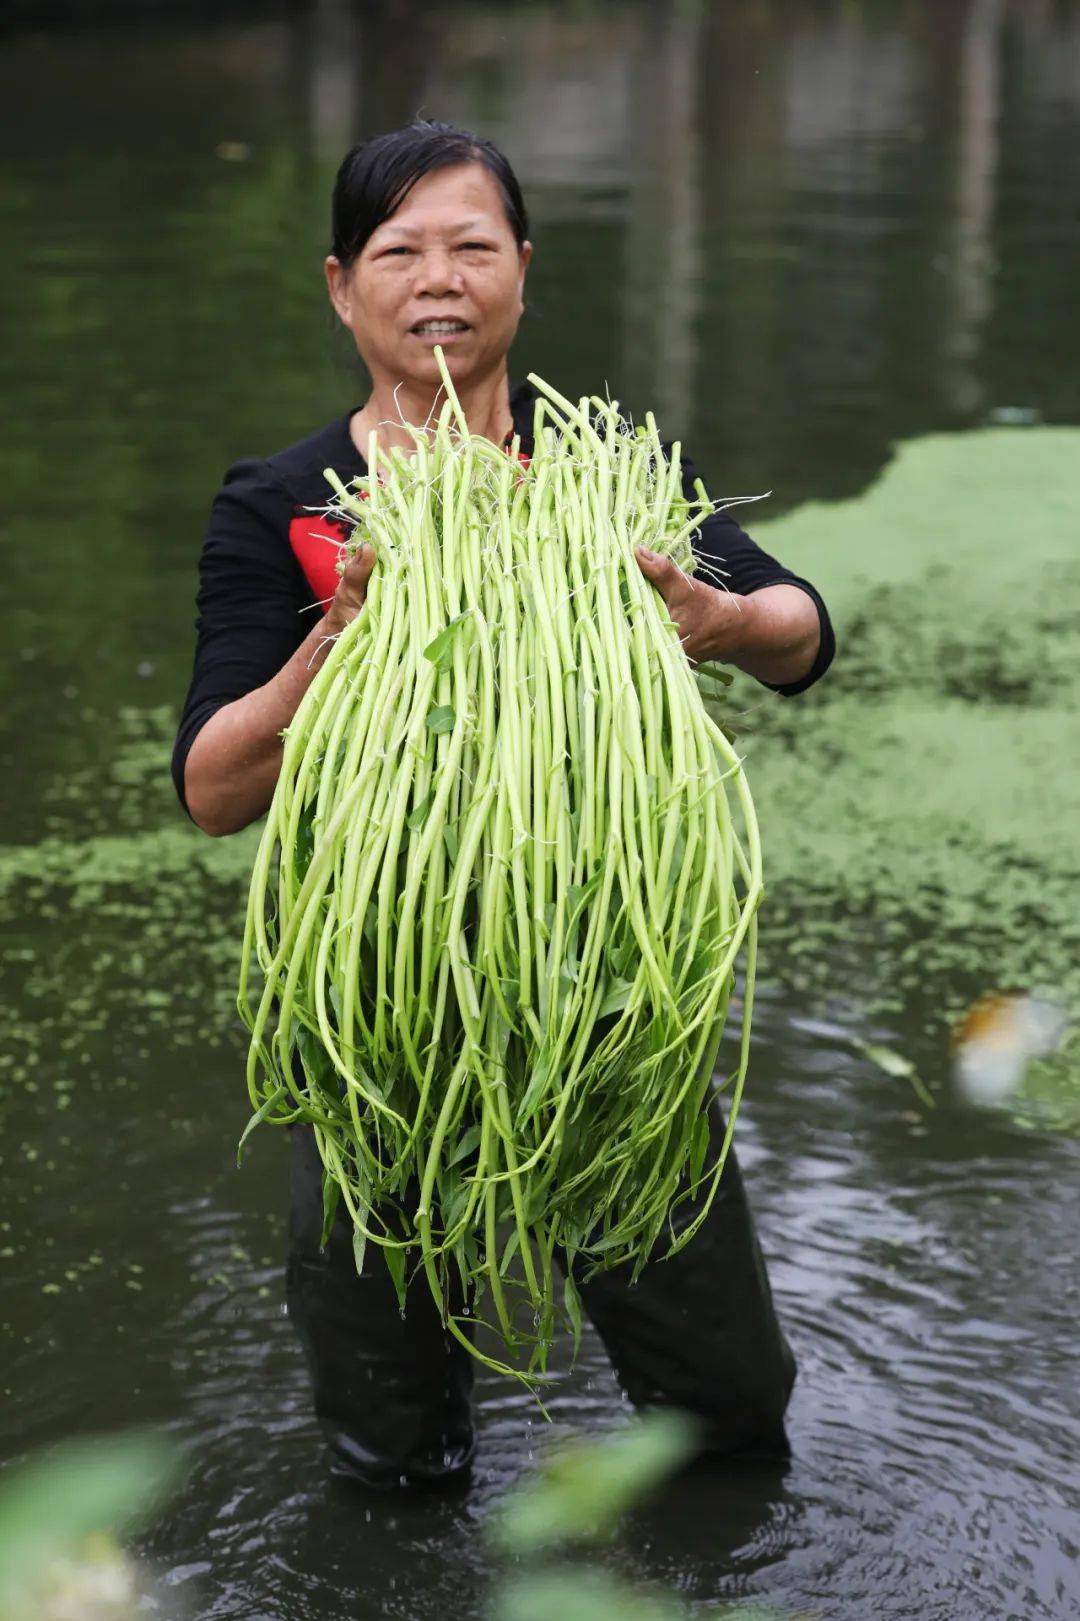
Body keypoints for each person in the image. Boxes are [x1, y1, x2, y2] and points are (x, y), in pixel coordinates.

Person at [172, 120, 835, 1490]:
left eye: (473, 245)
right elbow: (213, 787)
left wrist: (719, 615)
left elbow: (805, 635)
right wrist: (331, 642)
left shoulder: (605, 479)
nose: (440, 278)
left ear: (523, 273)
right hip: (374, 1007)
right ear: (342, 284)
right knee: (390, 1451)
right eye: (400, 250)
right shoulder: (285, 505)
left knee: (726, 1416)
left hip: (606, 989)